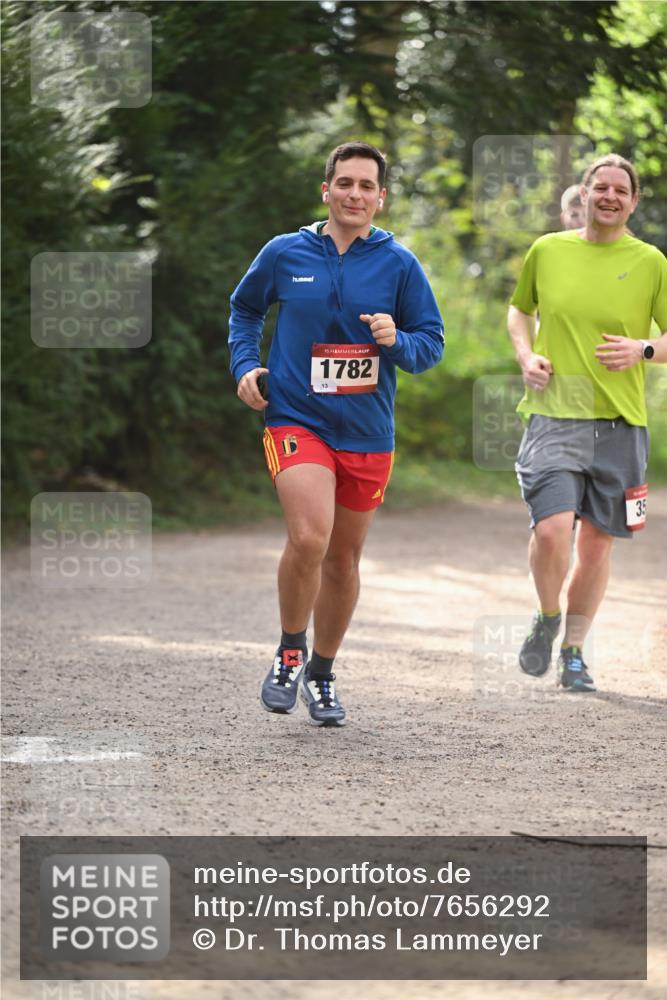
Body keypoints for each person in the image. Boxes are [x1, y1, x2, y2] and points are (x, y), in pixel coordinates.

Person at [229, 141, 444, 725]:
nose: (354, 194)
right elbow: (245, 310)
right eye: (344, 183)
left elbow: (431, 346)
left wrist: (396, 340)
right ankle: (290, 650)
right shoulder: (284, 252)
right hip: (297, 418)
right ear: (326, 190)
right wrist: (246, 365)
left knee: (344, 558)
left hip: (369, 432)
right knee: (309, 537)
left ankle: (321, 673)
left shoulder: (399, 264)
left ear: (381, 197)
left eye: (366, 186)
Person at [508, 153, 667, 692]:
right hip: (554, 413)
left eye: (622, 190)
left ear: (634, 201)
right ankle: (548, 615)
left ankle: (573, 651)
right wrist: (526, 357)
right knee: (552, 533)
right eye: (601, 187)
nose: (611, 197)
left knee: (598, 545)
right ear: (584, 192)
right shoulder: (547, 251)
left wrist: (643, 348)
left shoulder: (651, 262)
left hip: (622, 424)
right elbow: (519, 311)